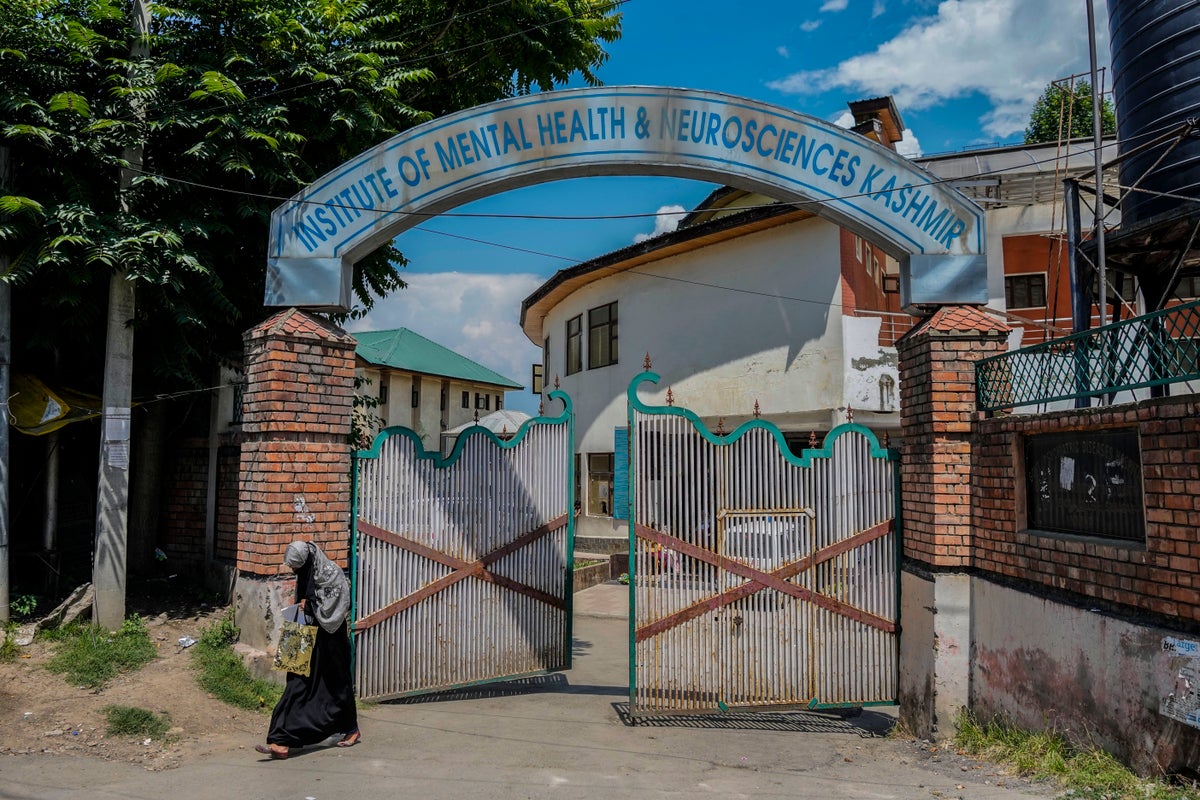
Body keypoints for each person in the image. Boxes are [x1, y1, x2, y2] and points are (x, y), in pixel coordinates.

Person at [255, 540, 360, 759]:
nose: (294, 571)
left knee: (337, 684)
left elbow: (338, 605)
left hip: (330, 639)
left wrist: (310, 605)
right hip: (303, 634)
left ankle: (351, 728)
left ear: (308, 561)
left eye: (296, 568)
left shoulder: (332, 572)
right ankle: (281, 740)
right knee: (296, 682)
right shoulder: (306, 572)